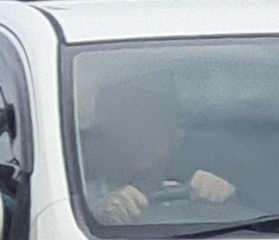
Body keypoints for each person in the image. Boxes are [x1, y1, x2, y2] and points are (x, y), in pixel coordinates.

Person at [80, 79, 236, 224]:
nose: (140, 135)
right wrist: (95, 218)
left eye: (155, 124)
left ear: (176, 135)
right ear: (104, 134)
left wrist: (222, 199)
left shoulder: (199, 195)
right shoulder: (74, 201)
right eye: (129, 124)